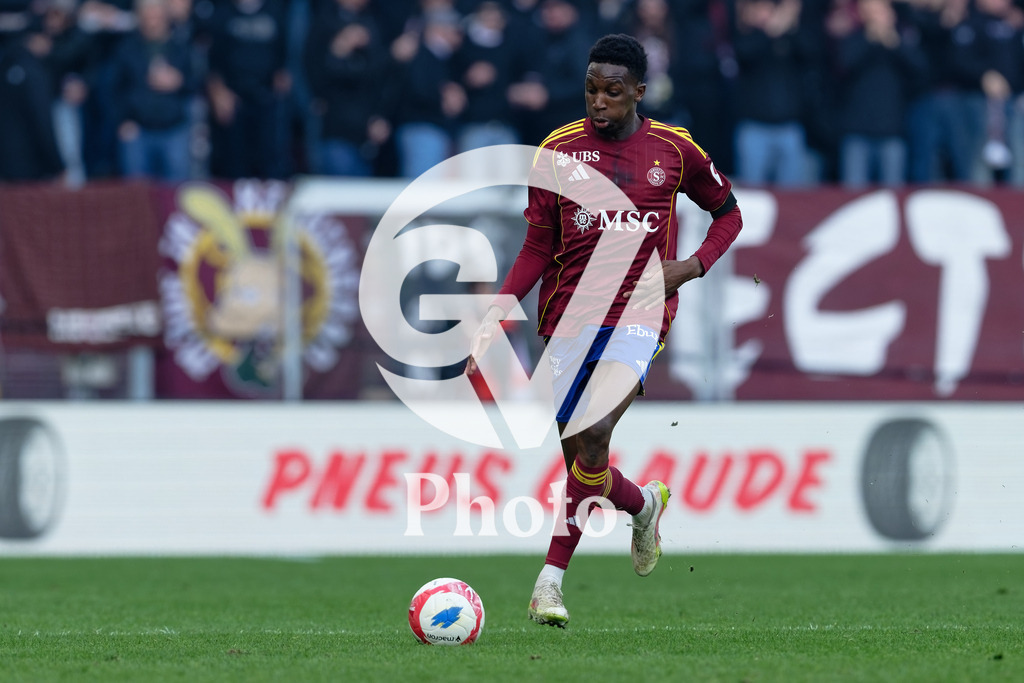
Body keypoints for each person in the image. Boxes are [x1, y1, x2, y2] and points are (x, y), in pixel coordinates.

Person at [466, 33, 743, 627]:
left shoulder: (675, 150)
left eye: (612, 91)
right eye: (591, 89)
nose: (599, 101)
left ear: (639, 92)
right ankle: (643, 505)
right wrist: (497, 310)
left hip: (640, 314)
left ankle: (548, 584)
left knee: (594, 433)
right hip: (567, 317)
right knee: (585, 466)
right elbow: (537, 246)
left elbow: (729, 212)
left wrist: (692, 266)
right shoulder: (556, 152)